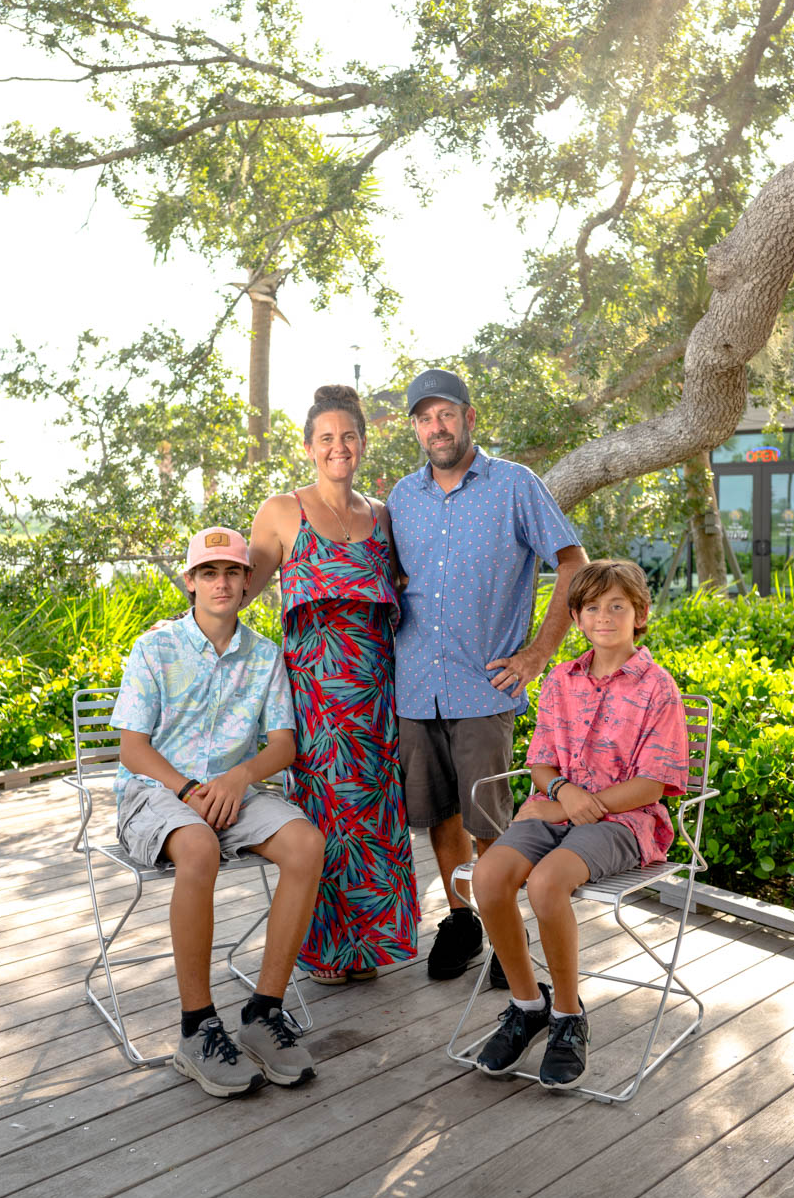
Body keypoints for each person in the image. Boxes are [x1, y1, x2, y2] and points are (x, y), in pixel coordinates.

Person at [387, 367, 587, 982]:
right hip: (416, 687)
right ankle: (463, 921)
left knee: (492, 819)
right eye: (425, 418)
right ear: (416, 428)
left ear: (470, 419)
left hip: (484, 687)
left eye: (446, 414)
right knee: (441, 815)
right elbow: (392, 579)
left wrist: (536, 655)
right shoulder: (402, 497)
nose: (436, 427)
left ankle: (508, 936)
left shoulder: (515, 485)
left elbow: (573, 562)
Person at [111, 526, 325, 1098]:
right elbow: (133, 748)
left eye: (232, 571)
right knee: (199, 846)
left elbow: (282, 744)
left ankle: (263, 1011)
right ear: (190, 582)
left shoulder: (265, 656)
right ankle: (197, 1027)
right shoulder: (155, 648)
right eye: (209, 572)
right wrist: (188, 792)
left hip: (234, 790)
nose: (222, 582)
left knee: (307, 844)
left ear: (249, 580)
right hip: (158, 791)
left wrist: (237, 777)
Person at [472, 559, 690, 1088]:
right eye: (591, 607)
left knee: (547, 884)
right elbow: (542, 762)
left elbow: (654, 783)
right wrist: (561, 792)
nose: (604, 617)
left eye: (618, 606)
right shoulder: (562, 681)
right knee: (488, 877)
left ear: (640, 614)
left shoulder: (658, 687)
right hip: (555, 807)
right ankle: (528, 1005)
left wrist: (573, 804)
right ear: (575, 617)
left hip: (625, 822)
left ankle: (569, 1015)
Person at [247, 385, 419, 984]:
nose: (338, 447)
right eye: (327, 438)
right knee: (326, 820)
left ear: (364, 443)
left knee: (374, 818)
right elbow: (237, 593)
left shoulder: (384, 517)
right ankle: (326, 950)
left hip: (378, 696)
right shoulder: (280, 511)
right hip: (316, 702)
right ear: (308, 447)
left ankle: (368, 946)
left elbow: (409, 596)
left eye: (348, 436)